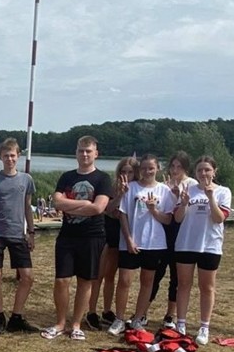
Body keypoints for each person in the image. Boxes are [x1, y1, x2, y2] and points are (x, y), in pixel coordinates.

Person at [41, 136, 112, 340]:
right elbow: (56, 203)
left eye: (88, 151)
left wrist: (68, 203)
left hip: (92, 237)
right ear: (76, 153)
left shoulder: (103, 179)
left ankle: (76, 324)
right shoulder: (66, 177)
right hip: (67, 236)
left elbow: (99, 208)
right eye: (81, 150)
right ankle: (60, 323)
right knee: (61, 280)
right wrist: (85, 206)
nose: (84, 154)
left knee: (85, 281)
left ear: (96, 153)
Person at [107, 154, 175, 336]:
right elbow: (123, 215)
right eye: (144, 168)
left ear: (157, 168)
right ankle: (119, 319)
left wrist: (154, 210)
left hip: (154, 243)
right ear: (139, 170)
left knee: (147, 282)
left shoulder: (164, 191)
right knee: (124, 281)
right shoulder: (131, 188)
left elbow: (168, 219)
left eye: (151, 168)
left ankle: (137, 318)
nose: (147, 171)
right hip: (131, 241)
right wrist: (128, 239)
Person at [173, 156, 232, 345]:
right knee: (183, 284)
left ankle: (204, 327)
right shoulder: (187, 190)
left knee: (207, 287)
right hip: (186, 244)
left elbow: (219, 218)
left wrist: (210, 197)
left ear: (215, 171)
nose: (203, 174)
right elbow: (178, 219)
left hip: (210, 245)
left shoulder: (223, 191)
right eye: (200, 170)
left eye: (207, 170)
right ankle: (180, 323)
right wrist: (182, 204)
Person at [0, 138, 39, 334]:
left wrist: (31, 232)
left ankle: (17, 315)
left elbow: (28, 208)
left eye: (13, 155)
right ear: (0, 157)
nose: (9, 159)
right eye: (6, 156)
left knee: (27, 277)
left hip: (17, 234)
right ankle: (0, 316)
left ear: (18, 156)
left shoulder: (26, 180)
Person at [86, 156, 137, 329]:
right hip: (108, 232)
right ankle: (91, 311)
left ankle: (107, 310)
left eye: (130, 172)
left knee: (111, 276)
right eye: (123, 171)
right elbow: (108, 209)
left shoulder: (138, 188)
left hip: (123, 236)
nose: (127, 175)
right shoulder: (113, 187)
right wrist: (120, 195)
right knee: (98, 275)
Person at [150, 152, 196, 328]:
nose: (176, 170)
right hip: (164, 231)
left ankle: (170, 314)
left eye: (180, 167)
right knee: (157, 272)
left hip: (182, 232)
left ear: (186, 168)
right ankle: (143, 311)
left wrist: (179, 198)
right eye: (173, 166)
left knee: (176, 277)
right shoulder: (164, 185)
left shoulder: (192, 184)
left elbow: (190, 211)